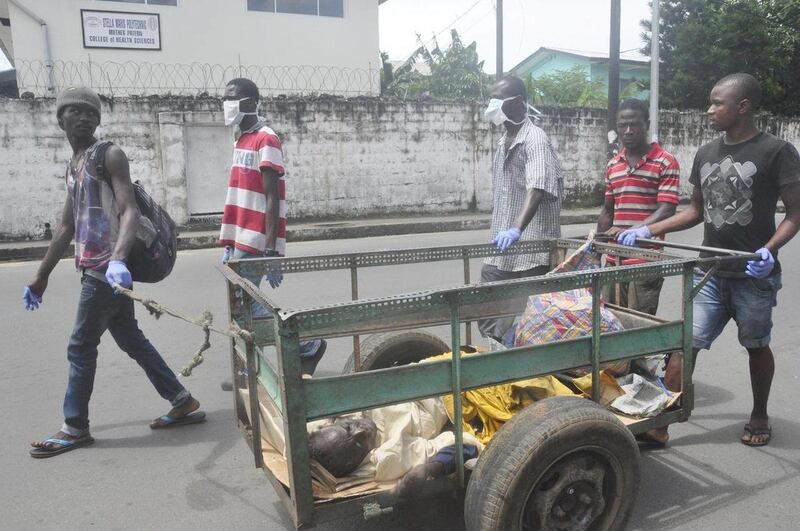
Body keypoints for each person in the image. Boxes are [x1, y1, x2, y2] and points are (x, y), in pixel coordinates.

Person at [618, 73, 800, 447]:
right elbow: (695, 211)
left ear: (743, 107)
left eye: (718, 103)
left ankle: (759, 412)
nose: (709, 110)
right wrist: (649, 230)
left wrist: (770, 249)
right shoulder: (705, 153)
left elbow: (796, 212)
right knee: (686, 344)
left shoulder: (777, 151)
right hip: (710, 273)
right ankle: (660, 424)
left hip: (753, 275)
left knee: (755, 344)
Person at [24, 87, 203, 459]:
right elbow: (65, 226)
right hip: (95, 267)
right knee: (131, 339)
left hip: (106, 269)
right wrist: (42, 275)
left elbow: (129, 210)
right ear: (61, 119)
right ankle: (181, 400)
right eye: (76, 112)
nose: (85, 118)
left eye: (91, 112)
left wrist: (119, 259)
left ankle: (74, 427)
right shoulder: (74, 165)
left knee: (80, 345)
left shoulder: (110, 155)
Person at [218, 78, 326, 383]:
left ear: (251, 103)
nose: (226, 105)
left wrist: (269, 249)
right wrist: (228, 239)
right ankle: (247, 370)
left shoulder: (267, 139)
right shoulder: (240, 139)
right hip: (238, 235)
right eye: (224, 99)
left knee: (245, 304)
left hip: (255, 239)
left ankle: (307, 344)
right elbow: (240, 193)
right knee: (239, 307)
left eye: (233, 99)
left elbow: (271, 196)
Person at [478, 75, 564, 340]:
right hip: (501, 251)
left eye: (498, 99)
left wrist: (516, 230)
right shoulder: (504, 140)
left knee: (532, 323)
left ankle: (517, 365)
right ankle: (494, 362)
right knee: (486, 312)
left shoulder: (535, 139)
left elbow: (536, 188)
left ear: (516, 102)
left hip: (529, 249)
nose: (492, 104)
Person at [597, 98, 680, 315]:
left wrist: (634, 230)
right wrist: (595, 250)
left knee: (638, 326)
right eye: (622, 125)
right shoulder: (613, 164)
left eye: (634, 124)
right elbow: (608, 210)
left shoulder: (665, 161)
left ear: (647, 125)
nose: (628, 130)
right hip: (614, 259)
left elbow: (667, 209)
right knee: (608, 322)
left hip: (646, 261)